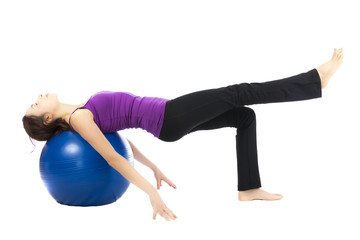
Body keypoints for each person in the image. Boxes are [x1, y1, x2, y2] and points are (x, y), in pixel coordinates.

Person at [23, 48, 344, 221]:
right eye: (36, 104)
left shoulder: (82, 111)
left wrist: (154, 167)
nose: (38, 96)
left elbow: (121, 142)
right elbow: (110, 156)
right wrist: (151, 191)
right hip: (169, 116)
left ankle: (249, 188)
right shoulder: (79, 117)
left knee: (244, 117)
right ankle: (314, 81)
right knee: (239, 91)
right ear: (48, 117)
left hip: (168, 120)